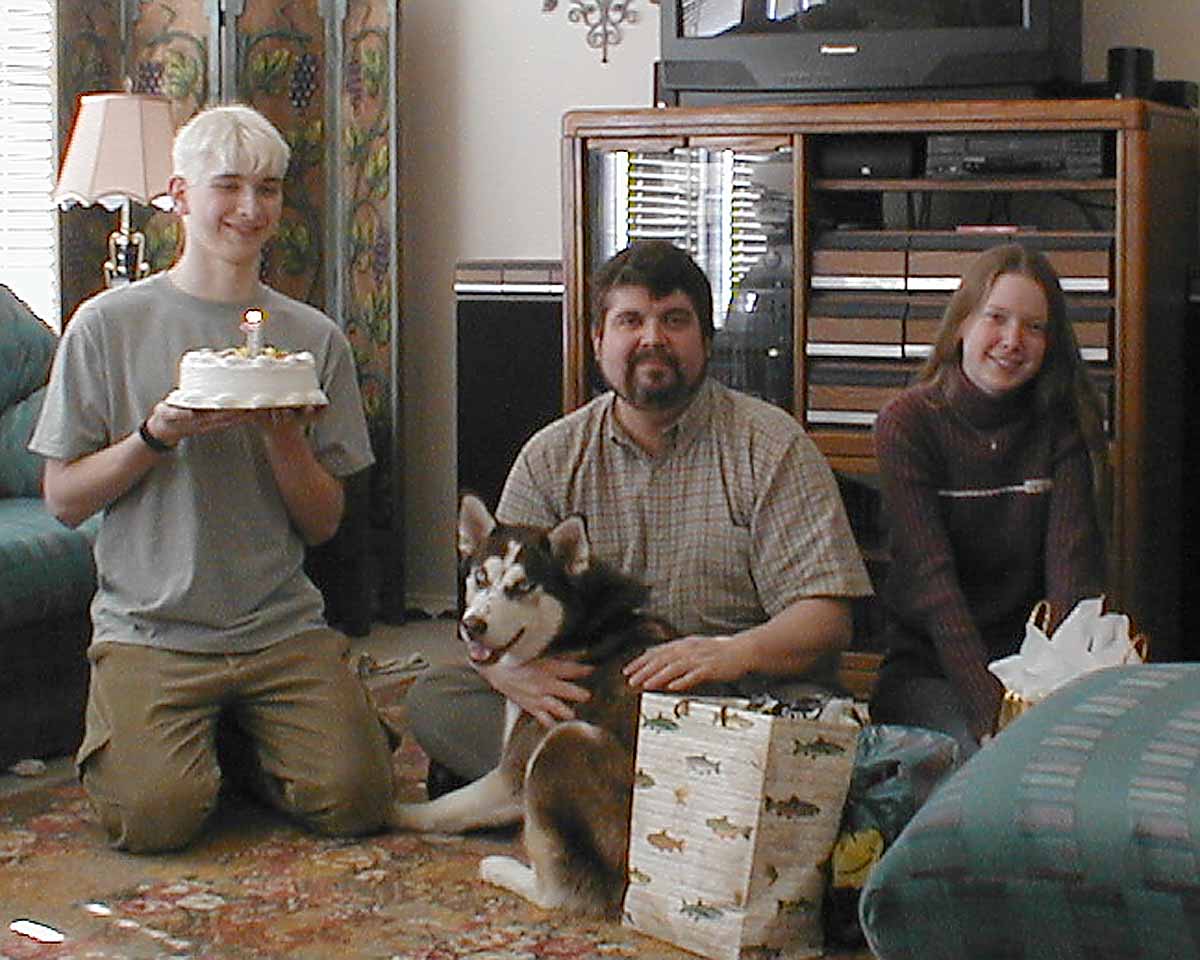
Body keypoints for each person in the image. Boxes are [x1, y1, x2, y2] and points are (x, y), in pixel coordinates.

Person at [29, 104, 394, 852]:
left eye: (268, 189)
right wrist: (155, 435)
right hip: (154, 628)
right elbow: (63, 500)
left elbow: (324, 524)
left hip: (277, 622)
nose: (250, 209)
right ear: (180, 195)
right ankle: (183, 747)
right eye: (227, 186)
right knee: (153, 820)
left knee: (357, 801)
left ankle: (250, 746)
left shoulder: (310, 340)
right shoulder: (106, 326)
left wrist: (285, 439)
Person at [408, 240, 873, 787]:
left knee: (813, 732)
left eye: (674, 320)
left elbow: (825, 620)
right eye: (631, 320)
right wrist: (507, 674)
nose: (653, 338)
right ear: (598, 341)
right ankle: (614, 790)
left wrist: (730, 653)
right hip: (594, 700)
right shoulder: (551, 456)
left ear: (706, 340)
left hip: (737, 699)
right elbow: (491, 601)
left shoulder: (772, 447)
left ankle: (568, 788)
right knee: (436, 699)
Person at [869, 242, 1107, 759]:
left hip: (1035, 670)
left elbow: (1072, 579)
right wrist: (993, 715)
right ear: (962, 325)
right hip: (932, 673)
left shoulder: (1062, 425)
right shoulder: (907, 424)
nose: (1012, 340)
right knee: (984, 765)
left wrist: (1050, 700)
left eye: (1034, 327)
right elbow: (935, 589)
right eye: (996, 317)